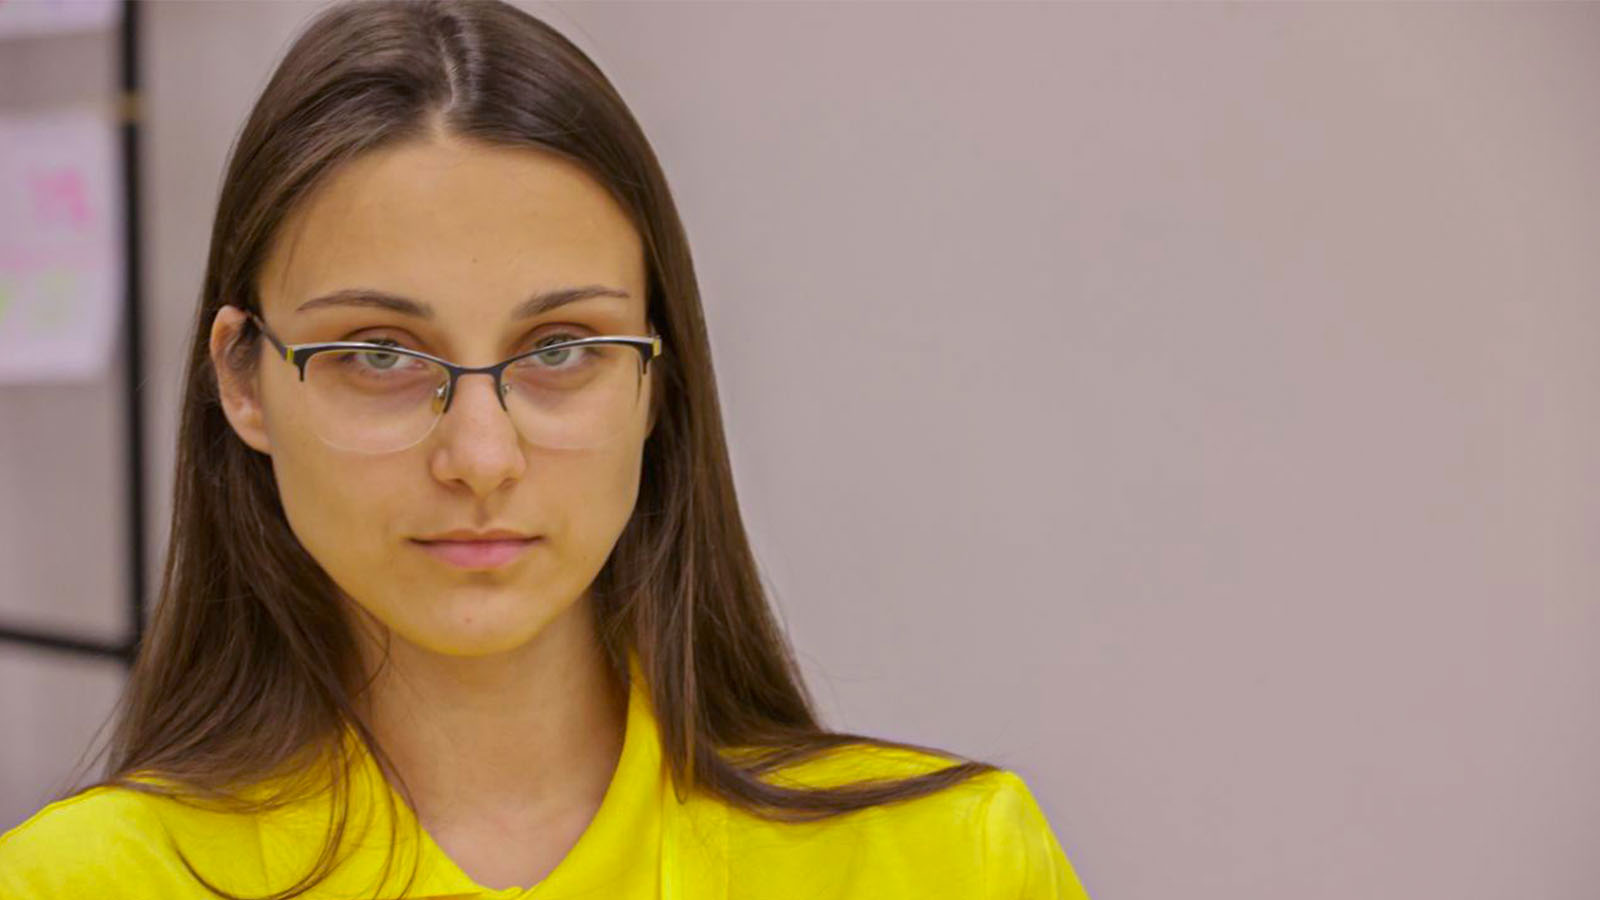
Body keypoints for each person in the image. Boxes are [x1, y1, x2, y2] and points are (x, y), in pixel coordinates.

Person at [0, 1, 1090, 897]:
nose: (481, 457)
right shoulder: (75, 885)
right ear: (243, 381)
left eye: (561, 348)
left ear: (657, 377)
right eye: (379, 355)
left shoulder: (951, 864)